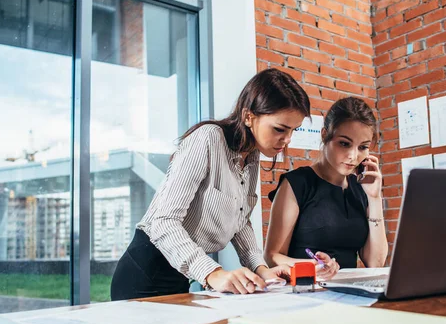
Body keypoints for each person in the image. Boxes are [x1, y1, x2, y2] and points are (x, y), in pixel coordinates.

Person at [111, 68, 311, 300]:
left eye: (293, 131)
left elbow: (240, 220)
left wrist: (262, 270)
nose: (287, 141)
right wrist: (213, 273)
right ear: (249, 116)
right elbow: (162, 222)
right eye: (280, 129)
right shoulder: (208, 138)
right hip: (143, 272)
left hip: (181, 274)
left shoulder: (252, 155)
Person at [264, 97, 388, 280]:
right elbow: (272, 256)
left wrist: (375, 198)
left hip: (348, 291)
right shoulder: (297, 183)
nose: (353, 156)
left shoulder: (361, 189)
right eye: (344, 144)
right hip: (306, 289)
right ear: (325, 135)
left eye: (363, 147)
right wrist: (312, 266)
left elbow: (376, 263)